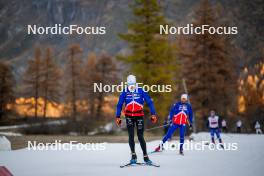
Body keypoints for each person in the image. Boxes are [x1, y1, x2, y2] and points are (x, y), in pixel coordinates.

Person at [115, 75, 157, 165]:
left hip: (139, 116)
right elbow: (119, 104)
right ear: (127, 83)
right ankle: (133, 156)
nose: (131, 86)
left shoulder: (141, 90)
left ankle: (146, 157)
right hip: (129, 116)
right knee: (131, 135)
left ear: (135, 83)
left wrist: (153, 114)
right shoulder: (125, 91)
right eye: (130, 84)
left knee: (140, 136)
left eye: (133, 84)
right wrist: (117, 116)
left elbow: (149, 102)